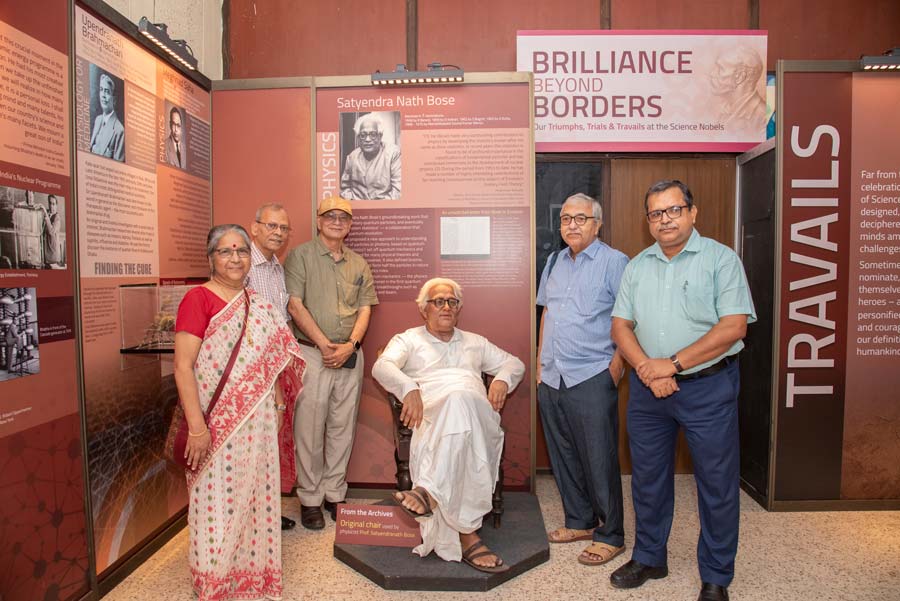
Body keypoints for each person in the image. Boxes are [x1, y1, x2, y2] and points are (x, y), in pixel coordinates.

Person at [609, 180, 755, 601]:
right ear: (648, 221)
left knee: (716, 485)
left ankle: (716, 576)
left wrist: (671, 364)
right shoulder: (637, 266)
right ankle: (651, 557)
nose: (665, 219)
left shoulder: (721, 260)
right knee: (648, 481)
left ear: (693, 212)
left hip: (708, 388)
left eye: (673, 210)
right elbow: (621, 325)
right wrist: (647, 369)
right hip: (647, 391)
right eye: (656, 213)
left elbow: (733, 327)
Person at [173, 224, 305, 601]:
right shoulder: (198, 300)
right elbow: (184, 366)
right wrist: (198, 428)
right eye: (226, 251)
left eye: (242, 251)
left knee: (256, 499)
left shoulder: (259, 305)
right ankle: (214, 583)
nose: (235, 258)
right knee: (215, 504)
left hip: (259, 423)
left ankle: (251, 579)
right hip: (215, 425)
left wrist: (279, 404)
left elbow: (275, 362)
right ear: (211, 257)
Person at [372, 277, 525, 573]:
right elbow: (382, 366)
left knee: (461, 400)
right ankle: (468, 535)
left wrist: (503, 379)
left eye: (452, 302)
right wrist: (408, 388)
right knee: (455, 406)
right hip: (435, 418)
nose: (446, 307)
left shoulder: (474, 342)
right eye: (438, 301)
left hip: (478, 418)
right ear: (423, 309)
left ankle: (429, 492)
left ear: (459, 309)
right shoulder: (408, 339)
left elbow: (515, 363)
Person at [535, 192, 628, 566]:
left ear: (597, 223)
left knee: (599, 458)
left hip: (592, 374)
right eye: (566, 219)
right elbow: (547, 313)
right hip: (553, 375)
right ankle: (580, 521)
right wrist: (541, 365)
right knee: (564, 454)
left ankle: (611, 534)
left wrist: (616, 369)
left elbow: (631, 319)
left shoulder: (615, 262)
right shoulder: (555, 260)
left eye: (581, 219)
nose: (572, 225)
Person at [284, 196, 378, 529]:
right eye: (330, 216)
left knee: (342, 426)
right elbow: (295, 305)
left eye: (343, 217)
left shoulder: (359, 263)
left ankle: (334, 493)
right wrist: (325, 345)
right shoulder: (301, 256)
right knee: (309, 429)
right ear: (319, 220)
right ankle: (309, 497)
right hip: (312, 353)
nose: (337, 221)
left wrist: (350, 345)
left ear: (350, 225)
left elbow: (366, 308)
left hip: (350, 354)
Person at [246, 203, 296, 530]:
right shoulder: (242, 265)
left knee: (270, 443)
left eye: (283, 228)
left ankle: (264, 513)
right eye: (271, 226)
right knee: (252, 445)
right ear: (255, 227)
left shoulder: (277, 267)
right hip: (251, 369)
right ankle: (250, 516)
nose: (277, 233)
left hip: (276, 367)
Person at [339, 113, 401, 200]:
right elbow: (344, 189)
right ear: (358, 138)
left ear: (380, 136)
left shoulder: (393, 154)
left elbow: (398, 192)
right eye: (363, 135)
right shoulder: (351, 157)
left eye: (373, 134)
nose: (367, 139)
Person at [709, 46, 767, 134]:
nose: (712, 74)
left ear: (740, 76)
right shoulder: (726, 109)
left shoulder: (762, 117)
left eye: (720, 68)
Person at [89, 73, 125, 162]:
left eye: (107, 91)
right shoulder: (98, 120)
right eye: (101, 90)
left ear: (114, 99)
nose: (103, 95)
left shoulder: (119, 130)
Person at [40, 195, 62, 268]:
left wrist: (46, 214)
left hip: (53, 256)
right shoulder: (48, 215)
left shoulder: (57, 218)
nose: (51, 206)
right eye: (50, 203)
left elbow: (51, 232)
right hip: (46, 253)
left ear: (56, 205)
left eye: (53, 204)